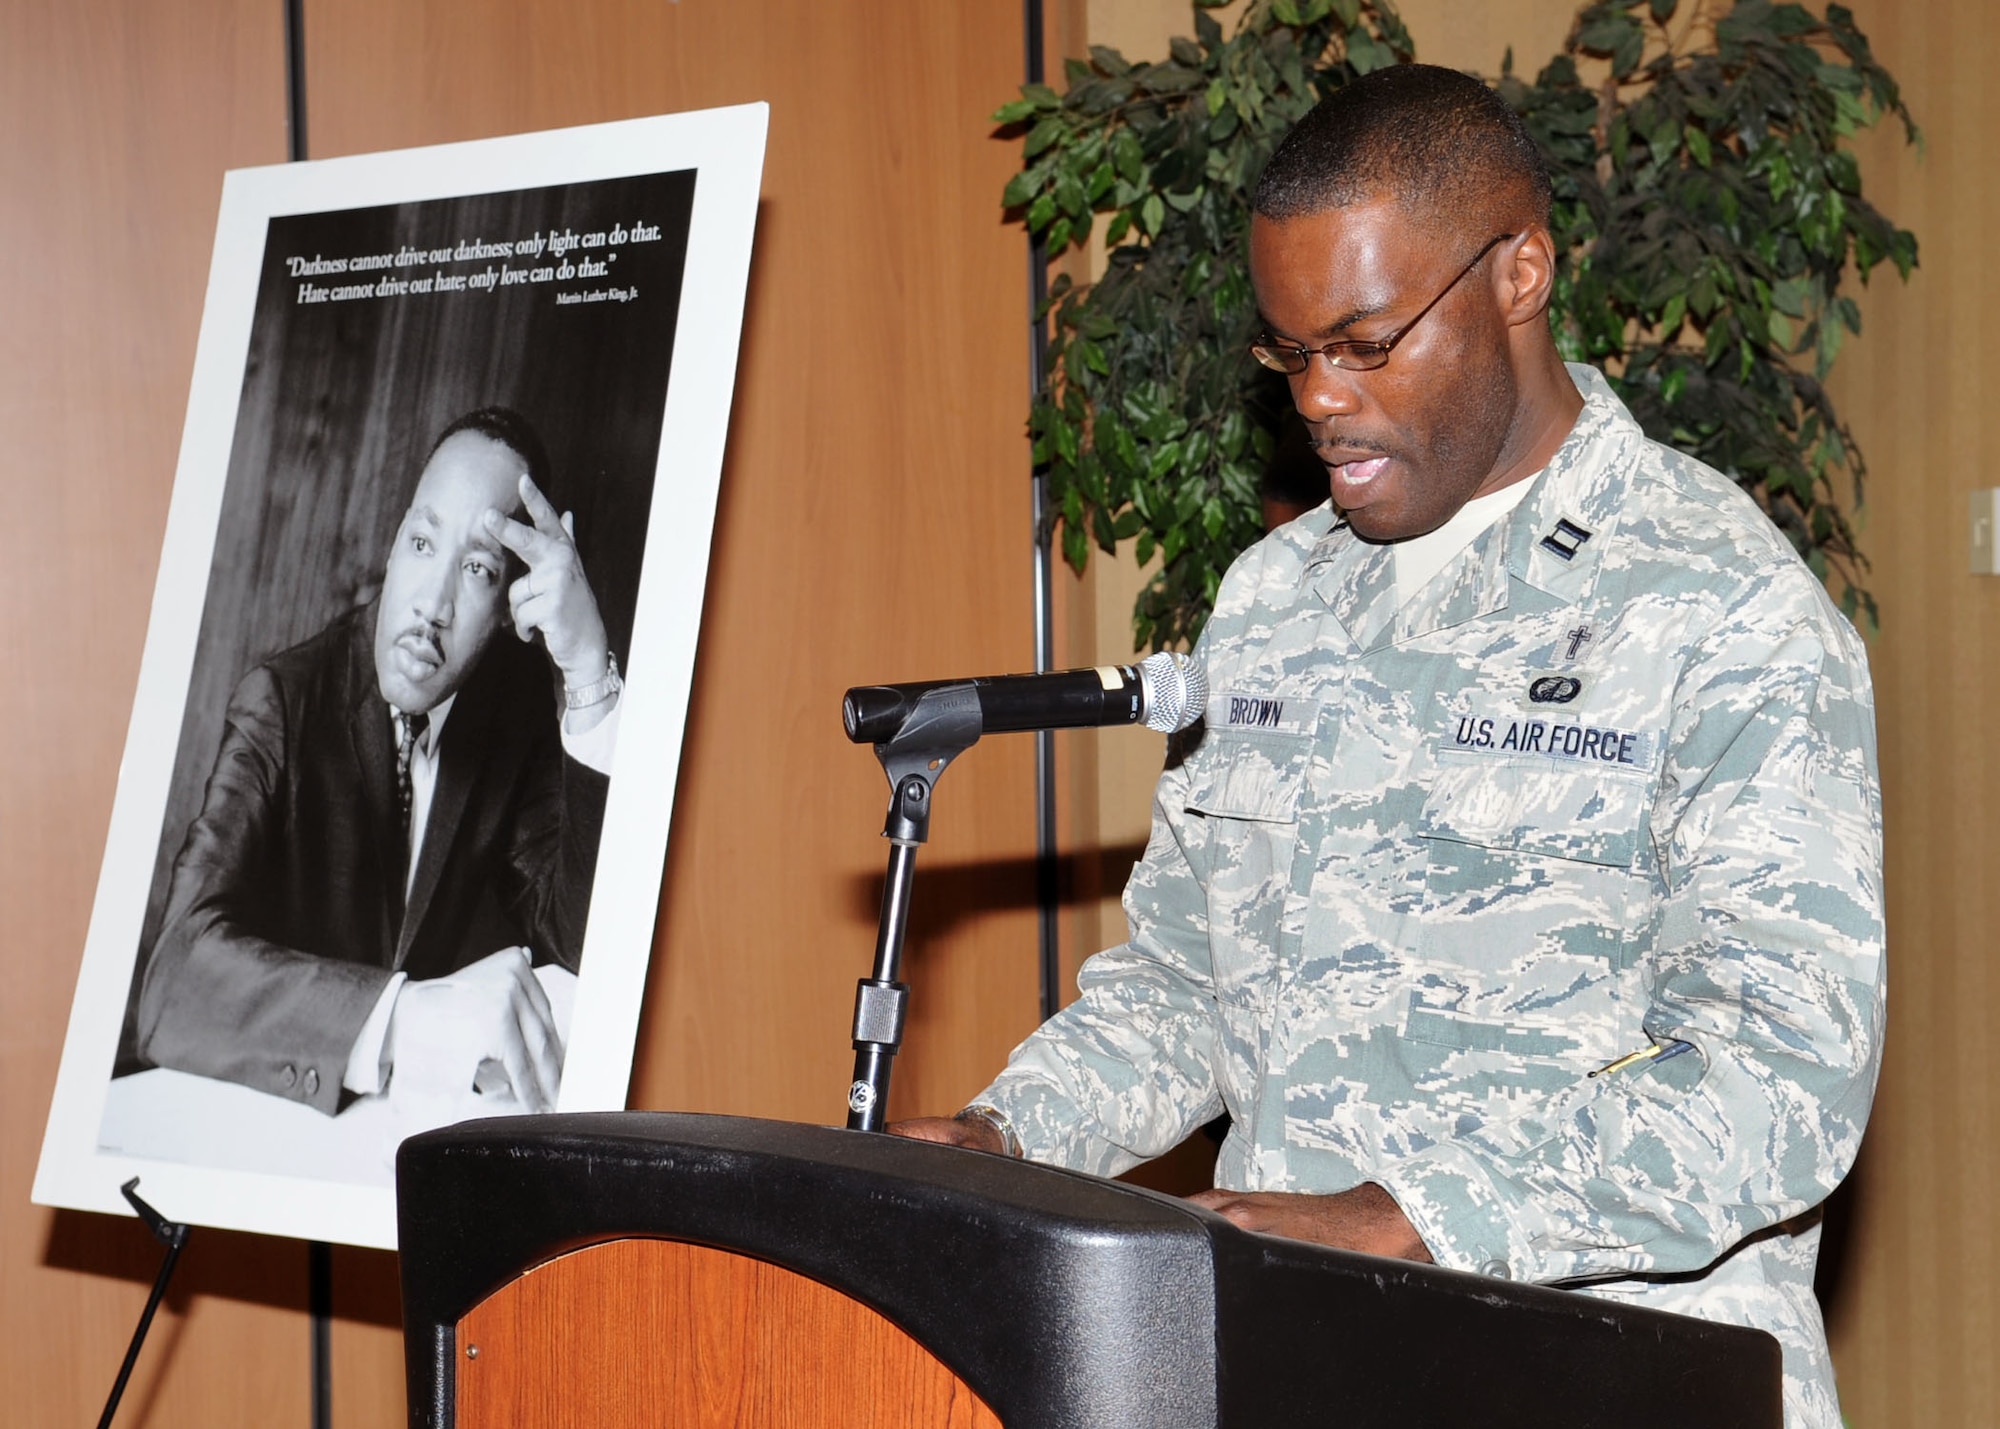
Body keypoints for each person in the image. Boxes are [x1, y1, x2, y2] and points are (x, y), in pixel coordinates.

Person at [895, 64, 1884, 1428]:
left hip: (1608, 1379)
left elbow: (1783, 1075)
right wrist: (1010, 1136)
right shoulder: (1275, 600)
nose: (1320, 399)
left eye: (1367, 343)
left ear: (1520, 273)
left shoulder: (1721, 606)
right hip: (1294, 1366)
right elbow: (1191, 983)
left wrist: (1416, 1213)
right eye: (1291, 352)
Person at [136, 406, 625, 1120]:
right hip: (256, 1126)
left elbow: (580, 942)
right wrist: (405, 1015)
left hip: (402, 1145)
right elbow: (173, 979)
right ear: (395, 545)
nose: (432, 604)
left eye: (479, 569)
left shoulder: (508, 714)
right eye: (424, 543)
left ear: (508, 610)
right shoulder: (283, 700)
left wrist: (586, 670)